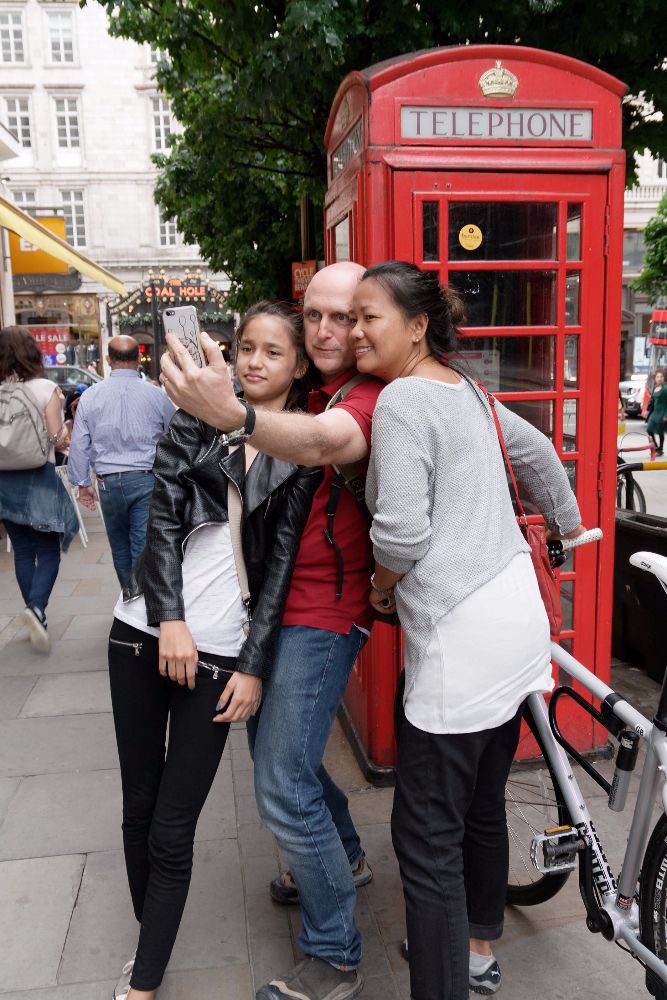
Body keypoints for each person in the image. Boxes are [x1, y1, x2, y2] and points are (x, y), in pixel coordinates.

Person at [349, 261, 583, 1000]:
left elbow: (401, 535)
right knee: (481, 801)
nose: (355, 332)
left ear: (417, 326)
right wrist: (568, 530)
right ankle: (478, 948)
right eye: (351, 318)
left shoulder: (401, 400)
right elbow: (538, 453)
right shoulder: (468, 390)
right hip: (518, 619)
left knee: (425, 840)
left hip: (461, 632)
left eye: (369, 317)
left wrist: (379, 589)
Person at [160, 262, 383, 1000]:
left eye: (344, 316)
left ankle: (335, 954)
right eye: (313, 315)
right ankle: (344, 854)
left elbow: (316, 444)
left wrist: (565, 518)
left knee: (281, 782)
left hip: (323, 611)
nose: (326, 330)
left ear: (370, 320)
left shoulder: (368, 395)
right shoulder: (312, 388)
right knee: (282, 761)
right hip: (272, 607)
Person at [108, 301, 321, 1000]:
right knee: (139, 807)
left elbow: (280, 567)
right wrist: (169, 619)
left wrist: (253, 666)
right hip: (141, 634)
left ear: (298, 365)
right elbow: (162, 520)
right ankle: (150, 952)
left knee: (173, 827)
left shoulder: (300, 450)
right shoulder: (192, 420)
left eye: (272, 352)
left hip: (222, 653)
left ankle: (141, 984)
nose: (254, 361)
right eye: (246, 347)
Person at [67, 335, 176, 586]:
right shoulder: (156, 395)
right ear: (138, 359)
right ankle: (138, 600)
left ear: (108, 360)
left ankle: (129, 595)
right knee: (141, 545)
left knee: (119, 547)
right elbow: (174, 435)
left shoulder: (91, 396)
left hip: (108, 483)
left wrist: (82, 483)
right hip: (145, 478)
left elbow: (79, 443)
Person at [0, 326, 78, 652]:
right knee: (48, 550)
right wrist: (64, 431)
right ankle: (36, 609)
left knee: (22, 550)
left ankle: (36, 613)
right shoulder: (46, 388)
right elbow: (57, 439)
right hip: (39, 477)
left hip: (4, 480)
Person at [646, 367, 667, 456]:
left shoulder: (665, 389)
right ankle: (655, 446)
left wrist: (665, 415)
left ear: (664, 378)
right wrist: (647, 411)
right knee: (649, 430)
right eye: (658, 377)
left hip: (662, 413)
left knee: (660, 432)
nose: (659, 378)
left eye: (661, 376)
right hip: (654, 413)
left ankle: (660, 449)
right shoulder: (655, 388)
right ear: (655, 378)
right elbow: (652, 401)